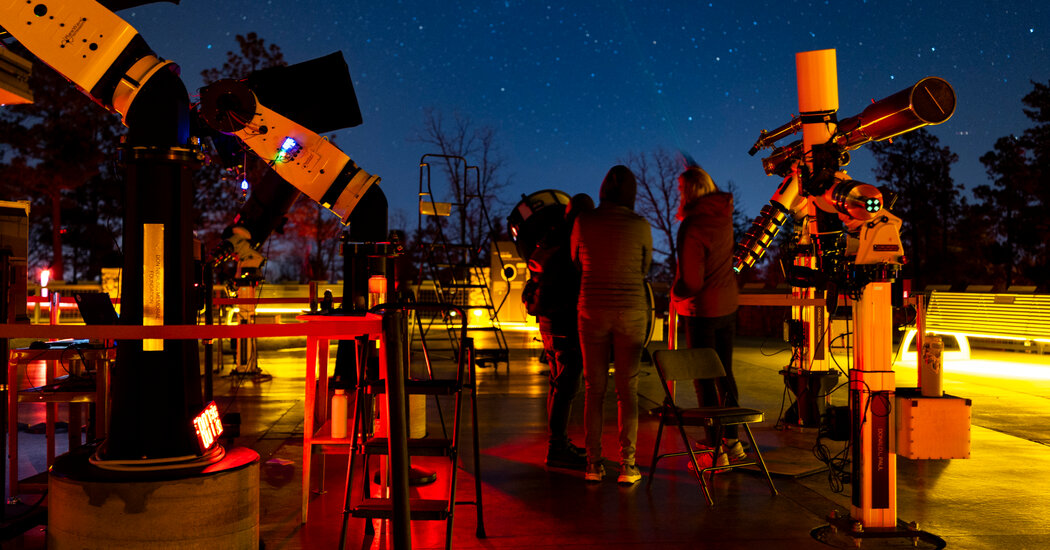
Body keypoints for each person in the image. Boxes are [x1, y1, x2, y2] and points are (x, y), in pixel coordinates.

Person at [571, 165, 652, 484]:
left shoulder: (583, 221)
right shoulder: (640, 224)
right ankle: (628, 465)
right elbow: (645, 266)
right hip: (631, 310)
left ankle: (593, 463)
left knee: (593, 389)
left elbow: (576, 261)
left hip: (591, 308)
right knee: (627, 390)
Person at [670, 166, 745, 465]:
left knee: (704, 380)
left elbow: (692, 282)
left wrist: (675, 294)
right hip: (727, 305)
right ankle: (734, 441)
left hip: (701, 311)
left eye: (680, 190)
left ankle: (714, 451)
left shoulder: (692, 226)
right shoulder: (722, 217)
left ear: (687, 192)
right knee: (725, 375)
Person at [522, 193, 595, 469]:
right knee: (566, 386)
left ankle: (559, 443)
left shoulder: (550, 236)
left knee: (557, 384)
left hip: (548, 322)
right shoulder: (572, 241)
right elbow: (574, 280)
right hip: (565, 322)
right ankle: (557, 448)